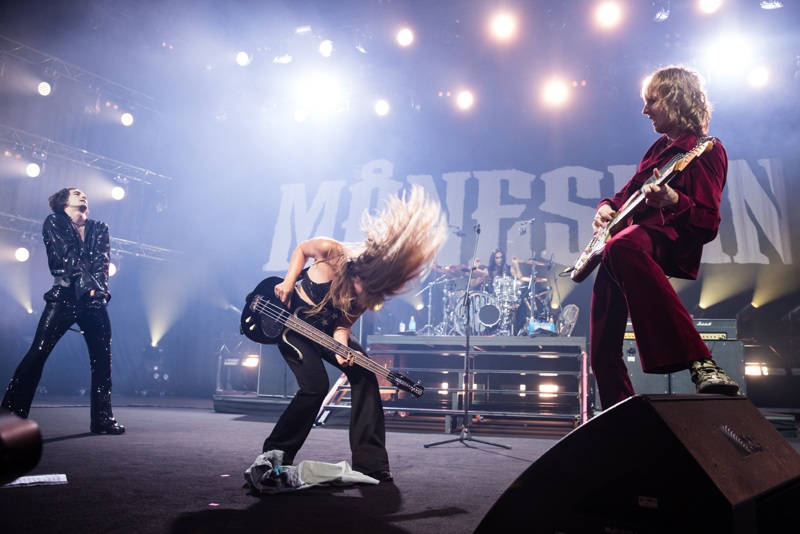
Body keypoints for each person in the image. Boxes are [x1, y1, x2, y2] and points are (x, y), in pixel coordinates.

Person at [263, 186, 447, 482]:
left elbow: (342, 326)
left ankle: (371, 463)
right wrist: (286, 282)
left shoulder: (368, 294)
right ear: (361, 268)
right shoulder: (331, 252)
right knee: (315, 387)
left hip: (324, 332)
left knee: (364, 373)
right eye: (364, 285)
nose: (363, 295)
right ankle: (275, 454)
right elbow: (301, 249)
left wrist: (341, 349)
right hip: (292, 323)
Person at [589, 65, 740, 410]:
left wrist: (673, 201)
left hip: (662, 239)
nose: (644, 110)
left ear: (674, 97)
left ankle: (702, 362)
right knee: (599, 345)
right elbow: (626, 194)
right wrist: (604, 207)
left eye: (651, 101)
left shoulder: (706, 149)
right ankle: (622, 417)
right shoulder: (658, 149)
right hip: (621, 249)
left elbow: (707, 223)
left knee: (624, 244)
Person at [2, 188, 124, 434]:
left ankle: (102, 418)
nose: (83, 195)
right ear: (63, 202)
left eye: (84, 193)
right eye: (76, 192)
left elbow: (102, 261)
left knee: (103, 360)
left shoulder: (100, 228)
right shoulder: (55, 222)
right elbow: (66, 258)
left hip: (94, 299)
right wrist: (88, 286)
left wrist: (99, 292)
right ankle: (11, 416)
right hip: (65, 296)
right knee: (38, 351)